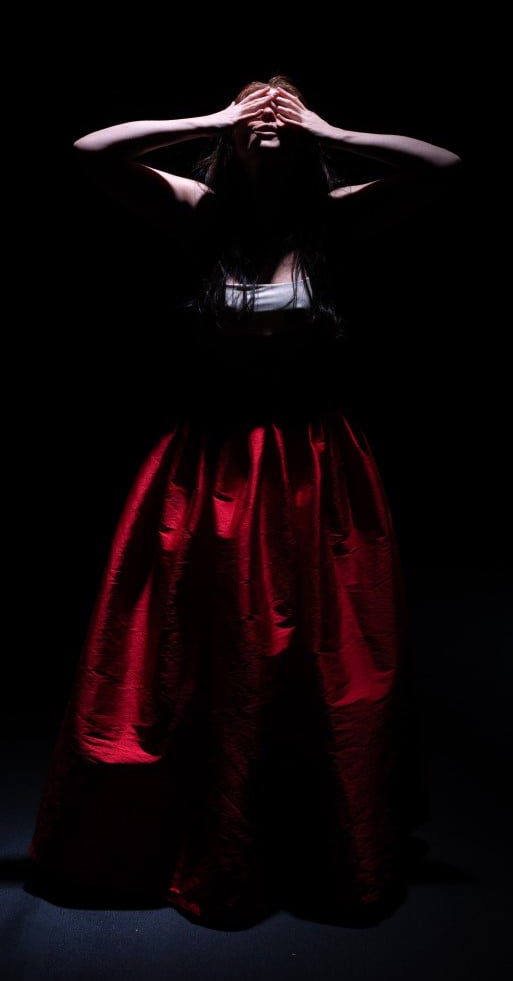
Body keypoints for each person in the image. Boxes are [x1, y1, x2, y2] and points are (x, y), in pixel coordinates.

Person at [26, 76, 462, 925]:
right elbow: (90, 150)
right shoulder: (199, 211)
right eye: (254, 100)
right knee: (198, 644)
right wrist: (213, 118)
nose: (269, 111)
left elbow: (443, 166)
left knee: (320, 653)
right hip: (211, 463)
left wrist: (332, 131)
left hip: (314, 467)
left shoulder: (333, 217)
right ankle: (182, 830)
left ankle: (309, 835)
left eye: (281, 103)